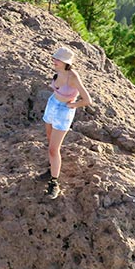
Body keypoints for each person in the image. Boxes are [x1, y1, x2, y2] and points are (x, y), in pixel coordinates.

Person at [41, 46, 92, 199]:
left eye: (57, 59)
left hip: (63, 111)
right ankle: (51, 169)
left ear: (65, 62)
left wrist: (73, 105)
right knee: (50, 141)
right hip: (52, 105)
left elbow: (87, 100)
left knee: (53, 149)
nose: (54, 60)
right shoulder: (58, 72)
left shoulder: (73, 77)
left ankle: (54, 182)